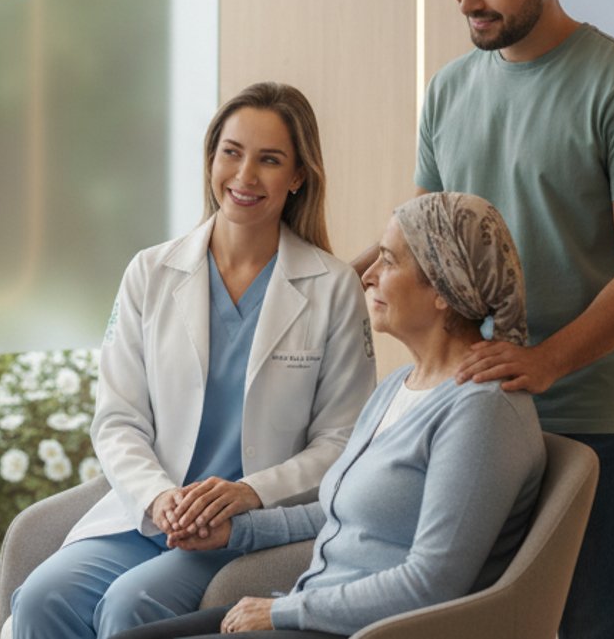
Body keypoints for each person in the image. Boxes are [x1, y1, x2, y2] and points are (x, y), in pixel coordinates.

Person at [363, 0, 614, 639]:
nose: (468, 1)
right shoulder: (447, 90)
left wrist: (546, 360)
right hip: (462, 411)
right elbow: (427, 243)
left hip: (584, 416)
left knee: (588, 626)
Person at [11, 83, 375, 639]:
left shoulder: (332, 288)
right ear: (211, 157)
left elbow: (341, 442)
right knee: (40, 598)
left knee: (130, 607)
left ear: (298, 176)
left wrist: (249, 492)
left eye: (270, 160)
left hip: (241, 528)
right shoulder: (150, 273)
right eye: (231, 152)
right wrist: (160, 499)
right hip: (150, 512)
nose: (245, 175)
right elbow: (118, 419)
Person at [111, 192, 545, 639]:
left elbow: (431, 585)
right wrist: (233, 531)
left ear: (442, 289)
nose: (369, 276)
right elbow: (338, 511)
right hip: (313, 612)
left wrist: (281, 613)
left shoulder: (481, 413)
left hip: (358, 630)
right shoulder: (398, 386)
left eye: (389, 262)